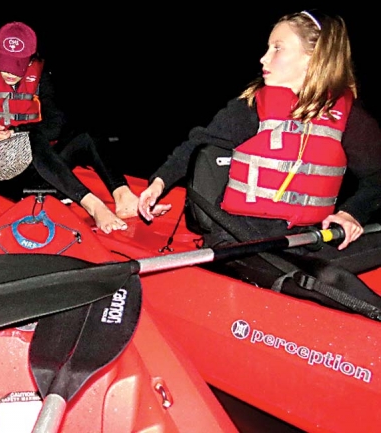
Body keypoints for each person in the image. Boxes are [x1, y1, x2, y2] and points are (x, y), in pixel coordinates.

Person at [138, 10, 381, 275]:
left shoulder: (348, 117)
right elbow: (197, 144)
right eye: (268, 48)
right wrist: (158, 183)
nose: (264, 58)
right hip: (239, 238)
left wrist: (352, 213)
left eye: (277, 48)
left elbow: (376, 178)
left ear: (313, 58)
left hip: (305, 241)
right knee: (309, 280)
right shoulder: (251, 107)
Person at [0, 21, 138, 234]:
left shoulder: (39, 77)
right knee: (31, 138)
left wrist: (19, 134)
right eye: (4, 63)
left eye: (16, 65)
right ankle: (92, 205)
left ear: (30, 59)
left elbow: (57, 121)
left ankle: (121, 193)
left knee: (86, 135)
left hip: (37, 168)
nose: (8, 72)